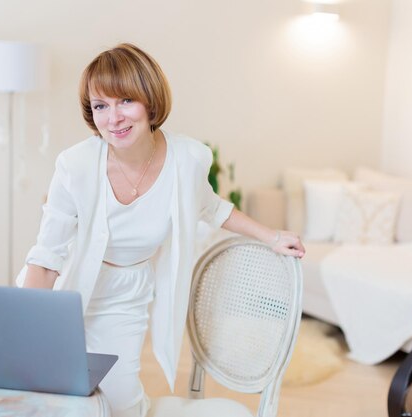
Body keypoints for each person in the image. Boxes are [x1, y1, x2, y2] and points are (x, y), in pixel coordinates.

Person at [17, 43, 305, 417]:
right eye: (101, 106)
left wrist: (272, 236)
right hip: (64, 289)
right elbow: (47, 257)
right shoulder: (76, 166)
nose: (114, 118)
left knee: (120, 404)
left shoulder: (187, 159)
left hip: (126, 294)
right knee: (54, 398)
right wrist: (27, 330)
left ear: (150, 101)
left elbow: (212, 207)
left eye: (126, 101)